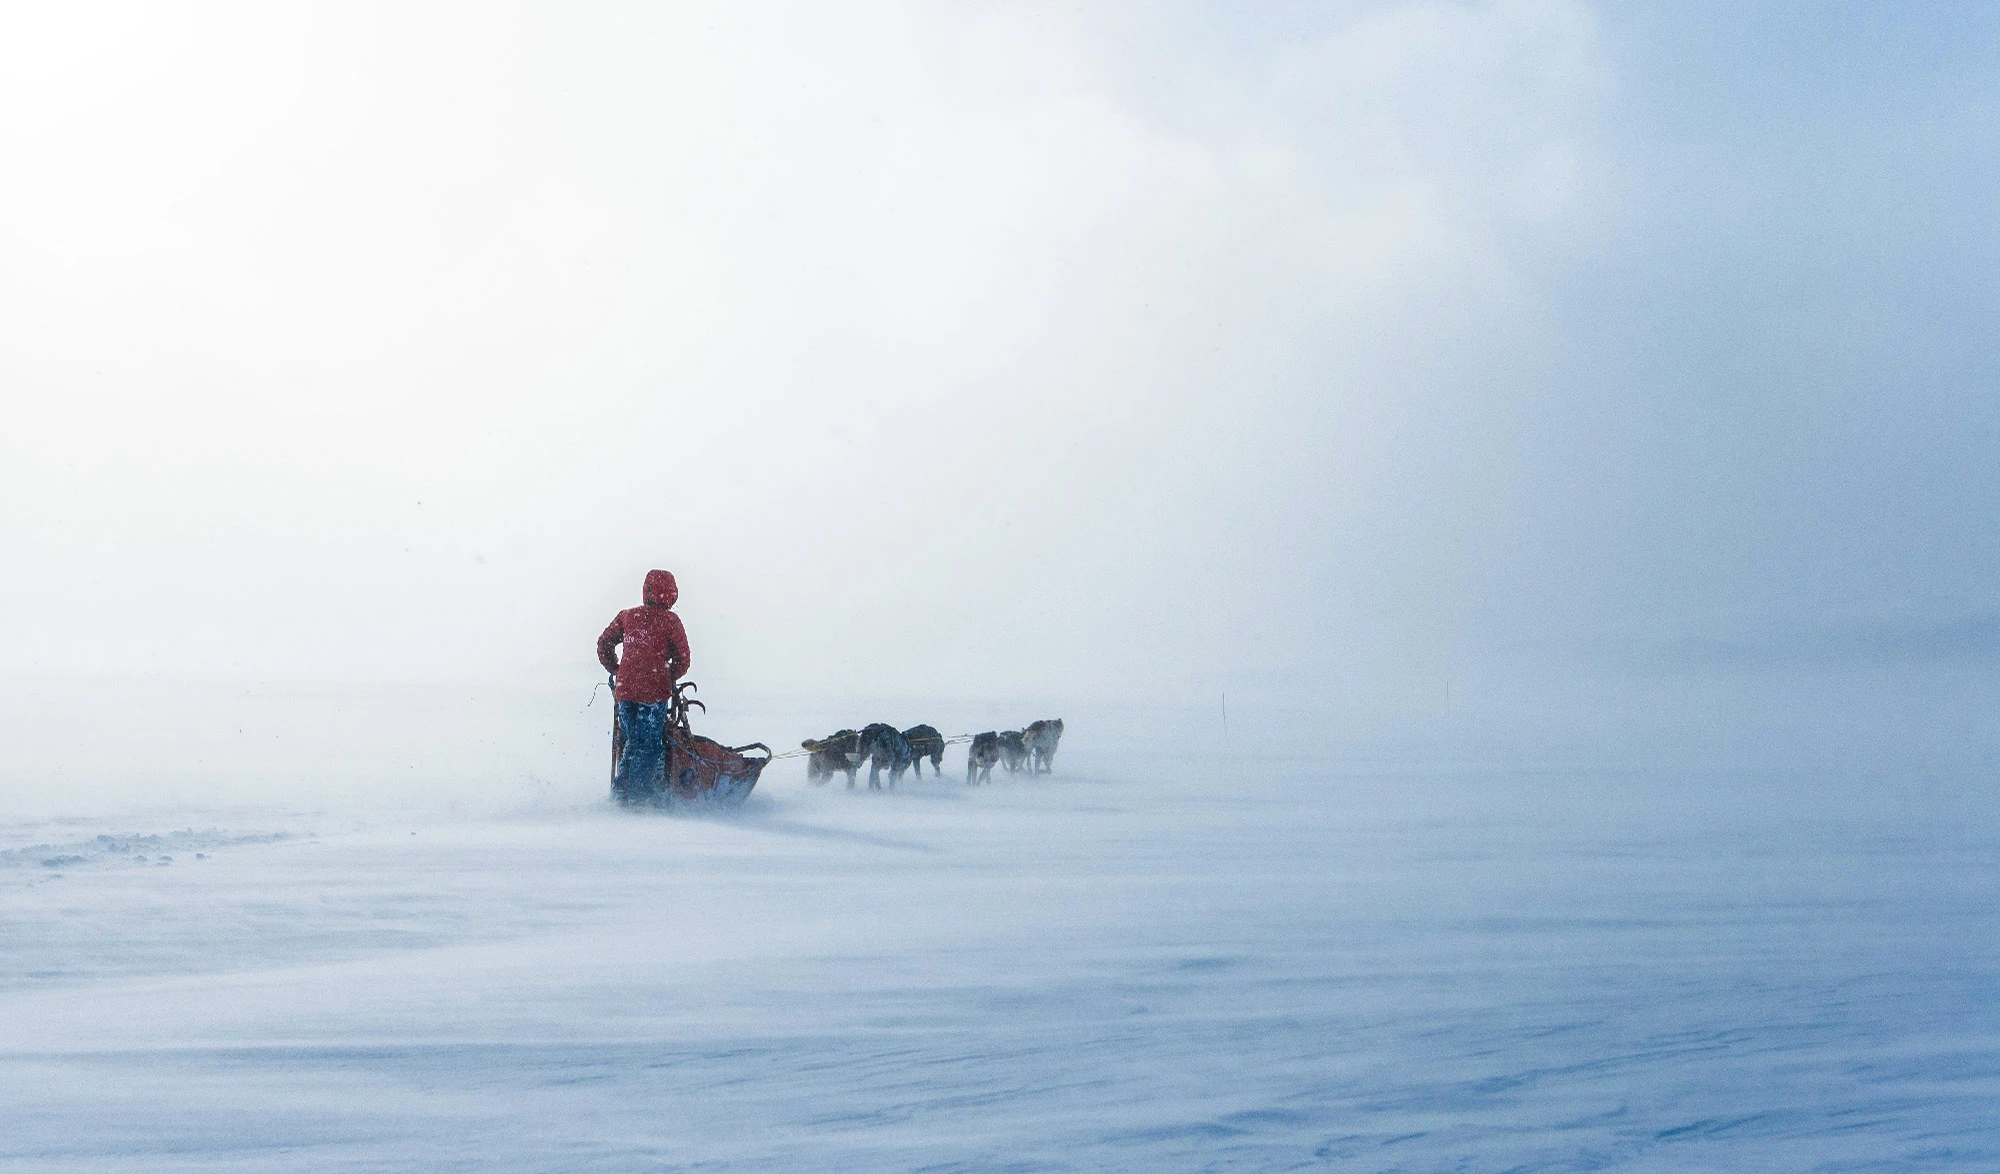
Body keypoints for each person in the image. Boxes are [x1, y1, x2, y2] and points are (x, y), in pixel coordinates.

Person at [597, 569, 692, 800]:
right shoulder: (671, 621)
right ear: (671, 594)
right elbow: (683, 658)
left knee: (632, 741)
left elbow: (604, 643)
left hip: (626, 691)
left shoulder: (628, 616)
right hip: (652, 693)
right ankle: (638, 798)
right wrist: (668, 677)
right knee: (649, 746)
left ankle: (620, 794)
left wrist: (618, 671)